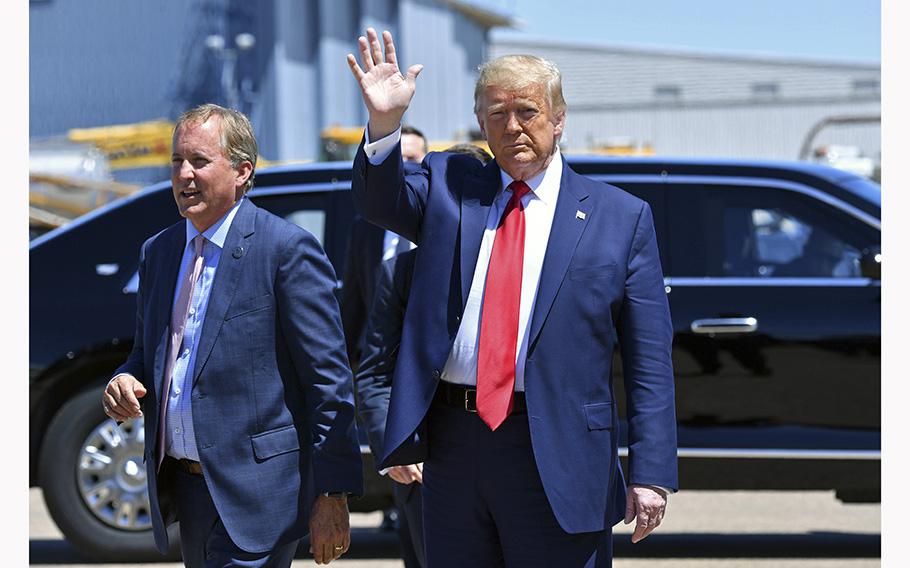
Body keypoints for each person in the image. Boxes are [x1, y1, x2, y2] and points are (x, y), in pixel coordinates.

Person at [347, 29, 677, 567]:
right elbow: (378, 201)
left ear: (559, 118)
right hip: (456, 446)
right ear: (481, 123)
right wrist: (385, 123)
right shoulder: (451, 185)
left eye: (528, 110)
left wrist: (652, 472)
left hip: (562, 451)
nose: (513, 126)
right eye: (496, 114)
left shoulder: (620, 218)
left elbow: (649, 362)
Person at [101, 104, 362, 567]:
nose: (184, 175)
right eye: (177, 162)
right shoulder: (160, 252)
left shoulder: (284, 249)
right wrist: (124, 378)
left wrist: (333, 492)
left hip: (260, 493)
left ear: (242, 171)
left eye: (199, 161)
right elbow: (147, 355)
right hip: (186, 489)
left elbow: (329, 382)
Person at [354, 144, 491, 568]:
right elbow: (374, 371)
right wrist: (396, 449)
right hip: (423, 469)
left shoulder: (519, 264)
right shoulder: (402, 272)